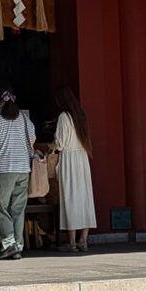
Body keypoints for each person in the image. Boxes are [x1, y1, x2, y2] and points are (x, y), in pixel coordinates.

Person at [0, 88, 35, 259]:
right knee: (18, 208)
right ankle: (18, 244)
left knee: (1, 206)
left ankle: (9, 244)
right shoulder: (24, 119)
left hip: (4, 168)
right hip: (23, 168)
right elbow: (32, 139)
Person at [54, 88, 95, 251]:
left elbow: (60, 143)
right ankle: (83, 240)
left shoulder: (64, 117)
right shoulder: (80, 116)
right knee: (85, 198)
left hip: (69, 159)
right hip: (82, 159)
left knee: (70, 198)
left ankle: (71, 242)